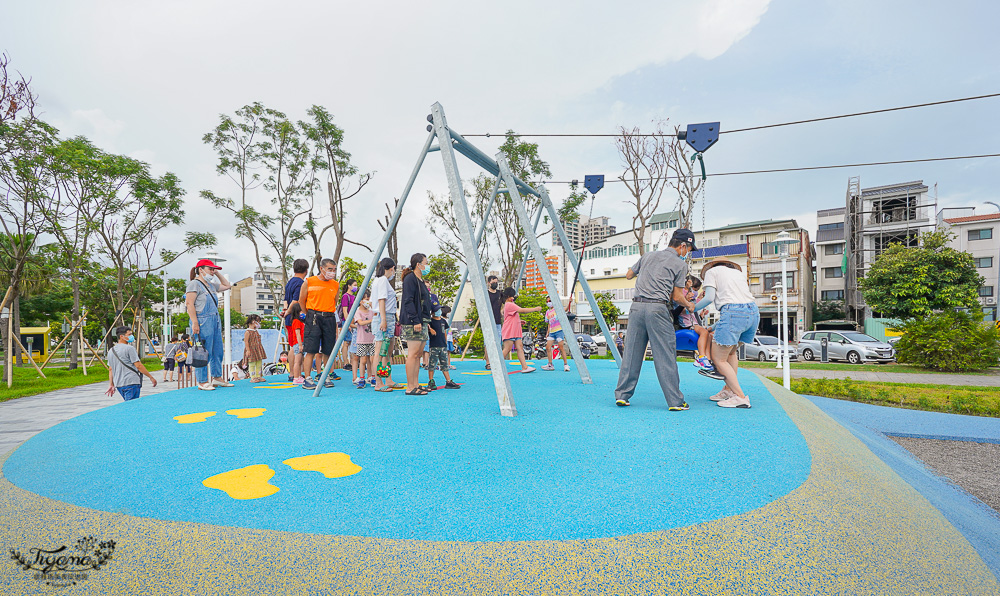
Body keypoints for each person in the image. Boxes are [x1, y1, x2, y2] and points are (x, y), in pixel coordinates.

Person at [614, 228, 697, 411]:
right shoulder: (680, 264)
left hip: (636, 308)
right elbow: (676, 297)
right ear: (683, 245)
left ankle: (622, 396)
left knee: (632, 354)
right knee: (665, 356)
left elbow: (628, 275)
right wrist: (689, 305)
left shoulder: (648, 255)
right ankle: (675, 401)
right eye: (689, 249)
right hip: (657, 309)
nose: (688, 253)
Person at [693, 259, 760, 409]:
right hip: (753, 313)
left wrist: (691, 308)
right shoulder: (737, 274)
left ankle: (740, 397)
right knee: (730, 353)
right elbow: (739, 305)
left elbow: (710, 298)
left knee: (719, 359)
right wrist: (712, 327)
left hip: (733, 313)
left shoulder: (712, 272)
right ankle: (729, 390)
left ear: (712, 267)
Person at [186, 258, 234, 391]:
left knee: (217, 350)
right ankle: (202, 381)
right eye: (210, 269)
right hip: (202, 320)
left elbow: (227, 285)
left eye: (213, 269)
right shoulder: (194, 284)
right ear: (200, 270)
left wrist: (217, 273)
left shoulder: (210, 285)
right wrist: (195, 322)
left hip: (215, 320)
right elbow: (189, 304)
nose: (212, 272)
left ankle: (217, 377)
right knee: (202, 351)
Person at [300, 258, 341, 390]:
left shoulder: (335, 284)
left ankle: (326, 376)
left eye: (334, 270)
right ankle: (307, 378)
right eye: (329, 269)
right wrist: (309, 314)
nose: (332, 272)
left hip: (329, 317)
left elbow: (334, 301)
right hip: (313, 316)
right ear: (321, 268)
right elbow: (302, 301)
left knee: (328, 349)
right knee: (310, 349)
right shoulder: (309, 281)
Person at [400, 253, 432, 395]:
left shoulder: (420, 280)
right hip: (413, 322)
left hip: (423, 321)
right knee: (412, 354)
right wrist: (415, 320)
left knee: (418, 354)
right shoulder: (410, 279)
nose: (427, 265)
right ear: (418, 264)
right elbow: (408, 301)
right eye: (425, 262)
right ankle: (410, 387)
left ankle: (416, 384)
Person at [371, 257, 402, 393]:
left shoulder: (379, 280)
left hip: (387, 317)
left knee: (387, 351)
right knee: (379, 350)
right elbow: (381, 300)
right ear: (391, 268)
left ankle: (387, 379)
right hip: (383, 317)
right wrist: (383, 319)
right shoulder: (382, 280)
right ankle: (378, 382)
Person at [106, 326, 157, 400]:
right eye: (129, 334)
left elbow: (111, 369)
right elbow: (138, 365)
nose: (131, 336)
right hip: (131, 382)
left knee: (129, 405)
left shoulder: (111, 350)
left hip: (119, 384)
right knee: (131, 407)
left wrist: (111, 384)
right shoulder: (129, 349)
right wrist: (151, 377)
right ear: (121, 336)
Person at [500, 287, 542, 373]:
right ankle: (497, 365)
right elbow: (521, 310)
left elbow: (512, 316)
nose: (513, 298)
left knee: (520, 347)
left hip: (515, 330)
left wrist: (519, 321)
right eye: (512, 296)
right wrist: (535, 309)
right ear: (508, 296)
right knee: (507, 349)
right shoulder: (509, 304)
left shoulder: (508, 304)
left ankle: (524, 367)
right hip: (510, 330)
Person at [281, 259, 309, 382]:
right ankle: (294, 374)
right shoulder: (300, 283)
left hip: (289, 318)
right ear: (306, 270)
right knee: (295, 347)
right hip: (296, 318)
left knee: (293, 345)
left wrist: (285, 311)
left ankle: (293, 373)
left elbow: (286, 299)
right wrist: (288, 312)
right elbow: (295, 300)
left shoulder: (290, 282)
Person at [680, 275, 713, 370]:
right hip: (687, 324)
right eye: (695, 289)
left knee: (710, 335)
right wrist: (686, 300)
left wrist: (701, 313)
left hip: (694, 322)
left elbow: (694, 309)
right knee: (704, 332)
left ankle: (708, 360)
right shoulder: (682, 294)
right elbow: (682, 311)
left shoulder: (691, 296)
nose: (695, 292)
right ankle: (701, 357)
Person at [427, 305, 460, 390]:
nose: (439, 311)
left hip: (443, 346)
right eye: (437, 310)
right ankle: (431, 381)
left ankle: (448, 381)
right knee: (432, 364)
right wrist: (430, 329)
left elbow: (444, 332)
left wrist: (445, 343)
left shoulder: (443, 321)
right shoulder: (430, 322)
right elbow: (426, 326)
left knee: (444, 364)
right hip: (434, 346)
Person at [541, 296, 573, 372]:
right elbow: (549, 323)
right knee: (548, 347)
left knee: (561, 347)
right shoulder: (547, 312)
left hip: (559, 331)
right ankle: (550, 364)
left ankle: (566, 364)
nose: (549, 302)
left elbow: (565, 309)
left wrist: (569, 302)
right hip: (552, 332)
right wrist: (547, 332)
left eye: (550, 300)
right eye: (547, 301)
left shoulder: (557, 309)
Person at [353, 292, 376, 388]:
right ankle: (361, 378)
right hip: (362, 340)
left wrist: (373, 306)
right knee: (362, 360)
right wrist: (372, 320)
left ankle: (372, 377)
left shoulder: (372, 311)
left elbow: (377, 315)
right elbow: (360, 323)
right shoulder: (358, 312)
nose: (368, 302)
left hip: (372, 339)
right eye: (366, 299)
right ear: (361, 301)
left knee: (373, 359)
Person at [340, 278, 359, 374]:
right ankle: (346, 363)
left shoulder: (354, 297)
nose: (356, 287)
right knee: (346, 342)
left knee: (352, 342)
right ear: (349, 286)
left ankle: (353, 362)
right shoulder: (345, 296)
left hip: (354, 321)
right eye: (354, 285)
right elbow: (345, 311)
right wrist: (348, 323)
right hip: (346, 321)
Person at [484, 274, 503, 370]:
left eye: (496, 282)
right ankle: (488, 362)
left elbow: (506, 303)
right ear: (489, 283)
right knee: (488, 343)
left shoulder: (500, 293)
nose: (495, 284)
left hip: (498, 321)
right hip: (488, 322)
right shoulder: (486, 293)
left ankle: (496, 361)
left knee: (498, 343)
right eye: (493, 282)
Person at [422, 280, 440, 370]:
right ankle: (425, 362)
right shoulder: (421, 296)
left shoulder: (433, 296)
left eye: (429, 285)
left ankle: (431, 362)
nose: (428, 287)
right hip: (424, 321)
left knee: (431, 343)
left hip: (431, 320)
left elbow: (436, 308)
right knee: (425, 343)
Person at [243, 314, 267, 382]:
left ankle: (258, 376)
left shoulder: (256, 331)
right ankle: (252, 377)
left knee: (259, 362)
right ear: (253, 321)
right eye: (257, 322)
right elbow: (246, 341)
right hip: (251, 349)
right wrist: (248, 350)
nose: (258, 324)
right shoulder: (248, 332)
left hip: (258, 349)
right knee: (252, 363)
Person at [286, 302, 306, 383]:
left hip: (300, 342)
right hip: (298, 343)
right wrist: (300, 344)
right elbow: (298, 334)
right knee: (297, 361)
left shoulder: (300, 321)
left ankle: (299, 375)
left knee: (300, 360)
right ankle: (296, 377)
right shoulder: (296, 321)